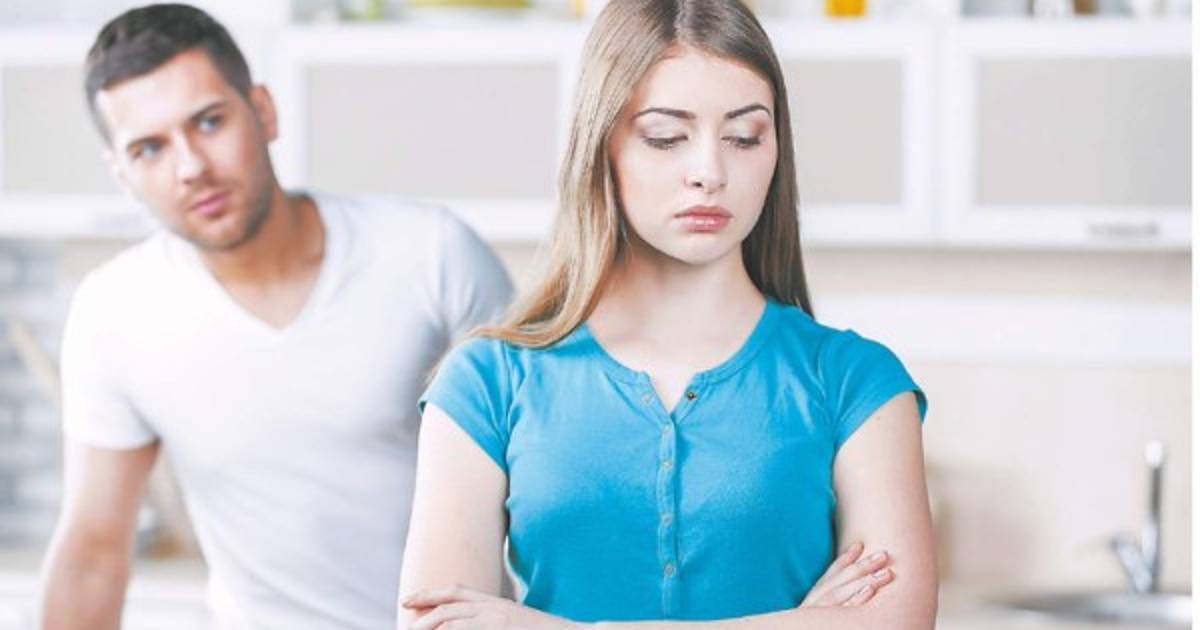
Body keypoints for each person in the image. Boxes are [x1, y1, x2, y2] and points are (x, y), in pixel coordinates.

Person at [397, 0, 938, 628]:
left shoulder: (856, 380)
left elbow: (897, 622)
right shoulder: (485, 382)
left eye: (744, 136)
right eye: (665, 137)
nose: (710, 172)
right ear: (602, 146)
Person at [37, 4, 513, 629]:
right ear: (122, 174)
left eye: (209, 122)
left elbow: (547, 481)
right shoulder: (113, 311)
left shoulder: (432, 256)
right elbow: (93, 554)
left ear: (262, 111)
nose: (191, 167)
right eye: (149, 148)